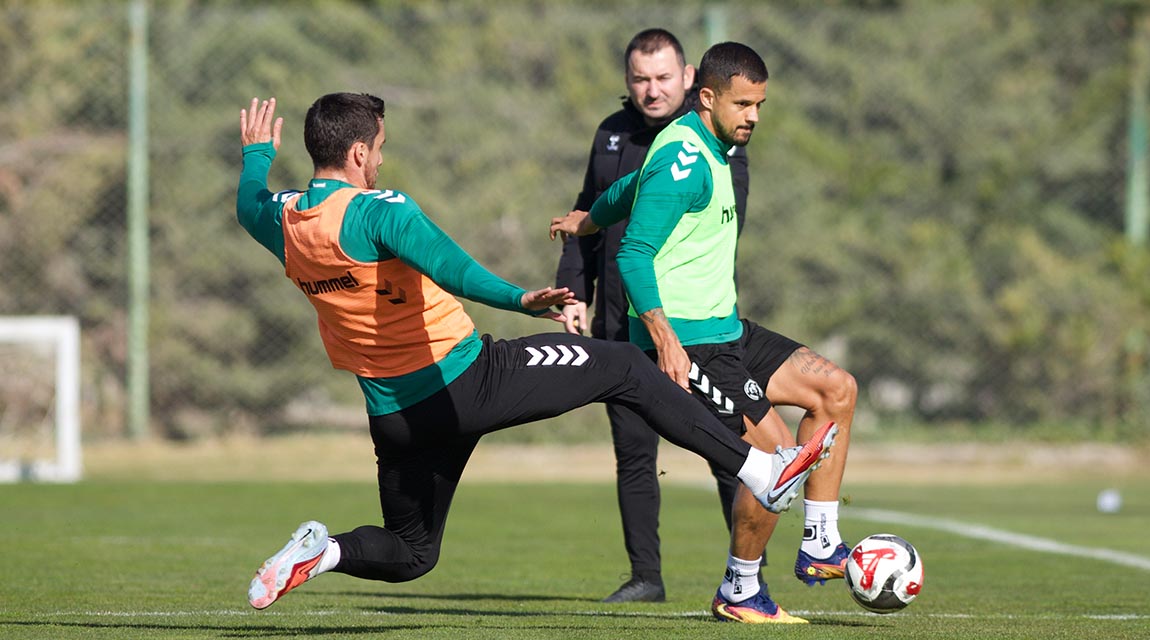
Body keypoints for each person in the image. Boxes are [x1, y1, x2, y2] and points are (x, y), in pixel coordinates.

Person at [234, 93, 837, 612]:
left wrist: (257, 156)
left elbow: (247, 203)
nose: (383, 159)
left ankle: (324, 550)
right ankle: (758, 468)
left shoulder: (284, 222)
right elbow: (452, 270)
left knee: (413, 552)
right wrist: (520, 297)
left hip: (394, 416)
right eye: (381, 147)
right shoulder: (376, 211)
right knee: (624, 363)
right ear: (360, 153)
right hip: (468, 382)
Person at [551, 42, 859, 624]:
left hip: (726, 329)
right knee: (775, 460)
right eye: (744, 103)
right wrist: (664, 339)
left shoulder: (706, 143)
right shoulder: (686, 159)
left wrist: (585, 219)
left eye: (761, 104)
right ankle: (740, 590)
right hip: (690, 341)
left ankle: (820, 543)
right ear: (709, 97)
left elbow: (628, 188)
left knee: (836, 391)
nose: (754, 116)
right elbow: (635, 256)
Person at [556, 28, 750, 605]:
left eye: (664, 77)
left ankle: (745, 575)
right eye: (640, 78)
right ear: (627, 81)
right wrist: (574, 293)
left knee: (725, 448)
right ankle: (646, 578)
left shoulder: (711, 141)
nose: (652, 89)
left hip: (686, 325)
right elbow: (585, 214)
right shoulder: (610, 136)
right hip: (619, 325)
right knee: (634, 455)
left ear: (690, 79)